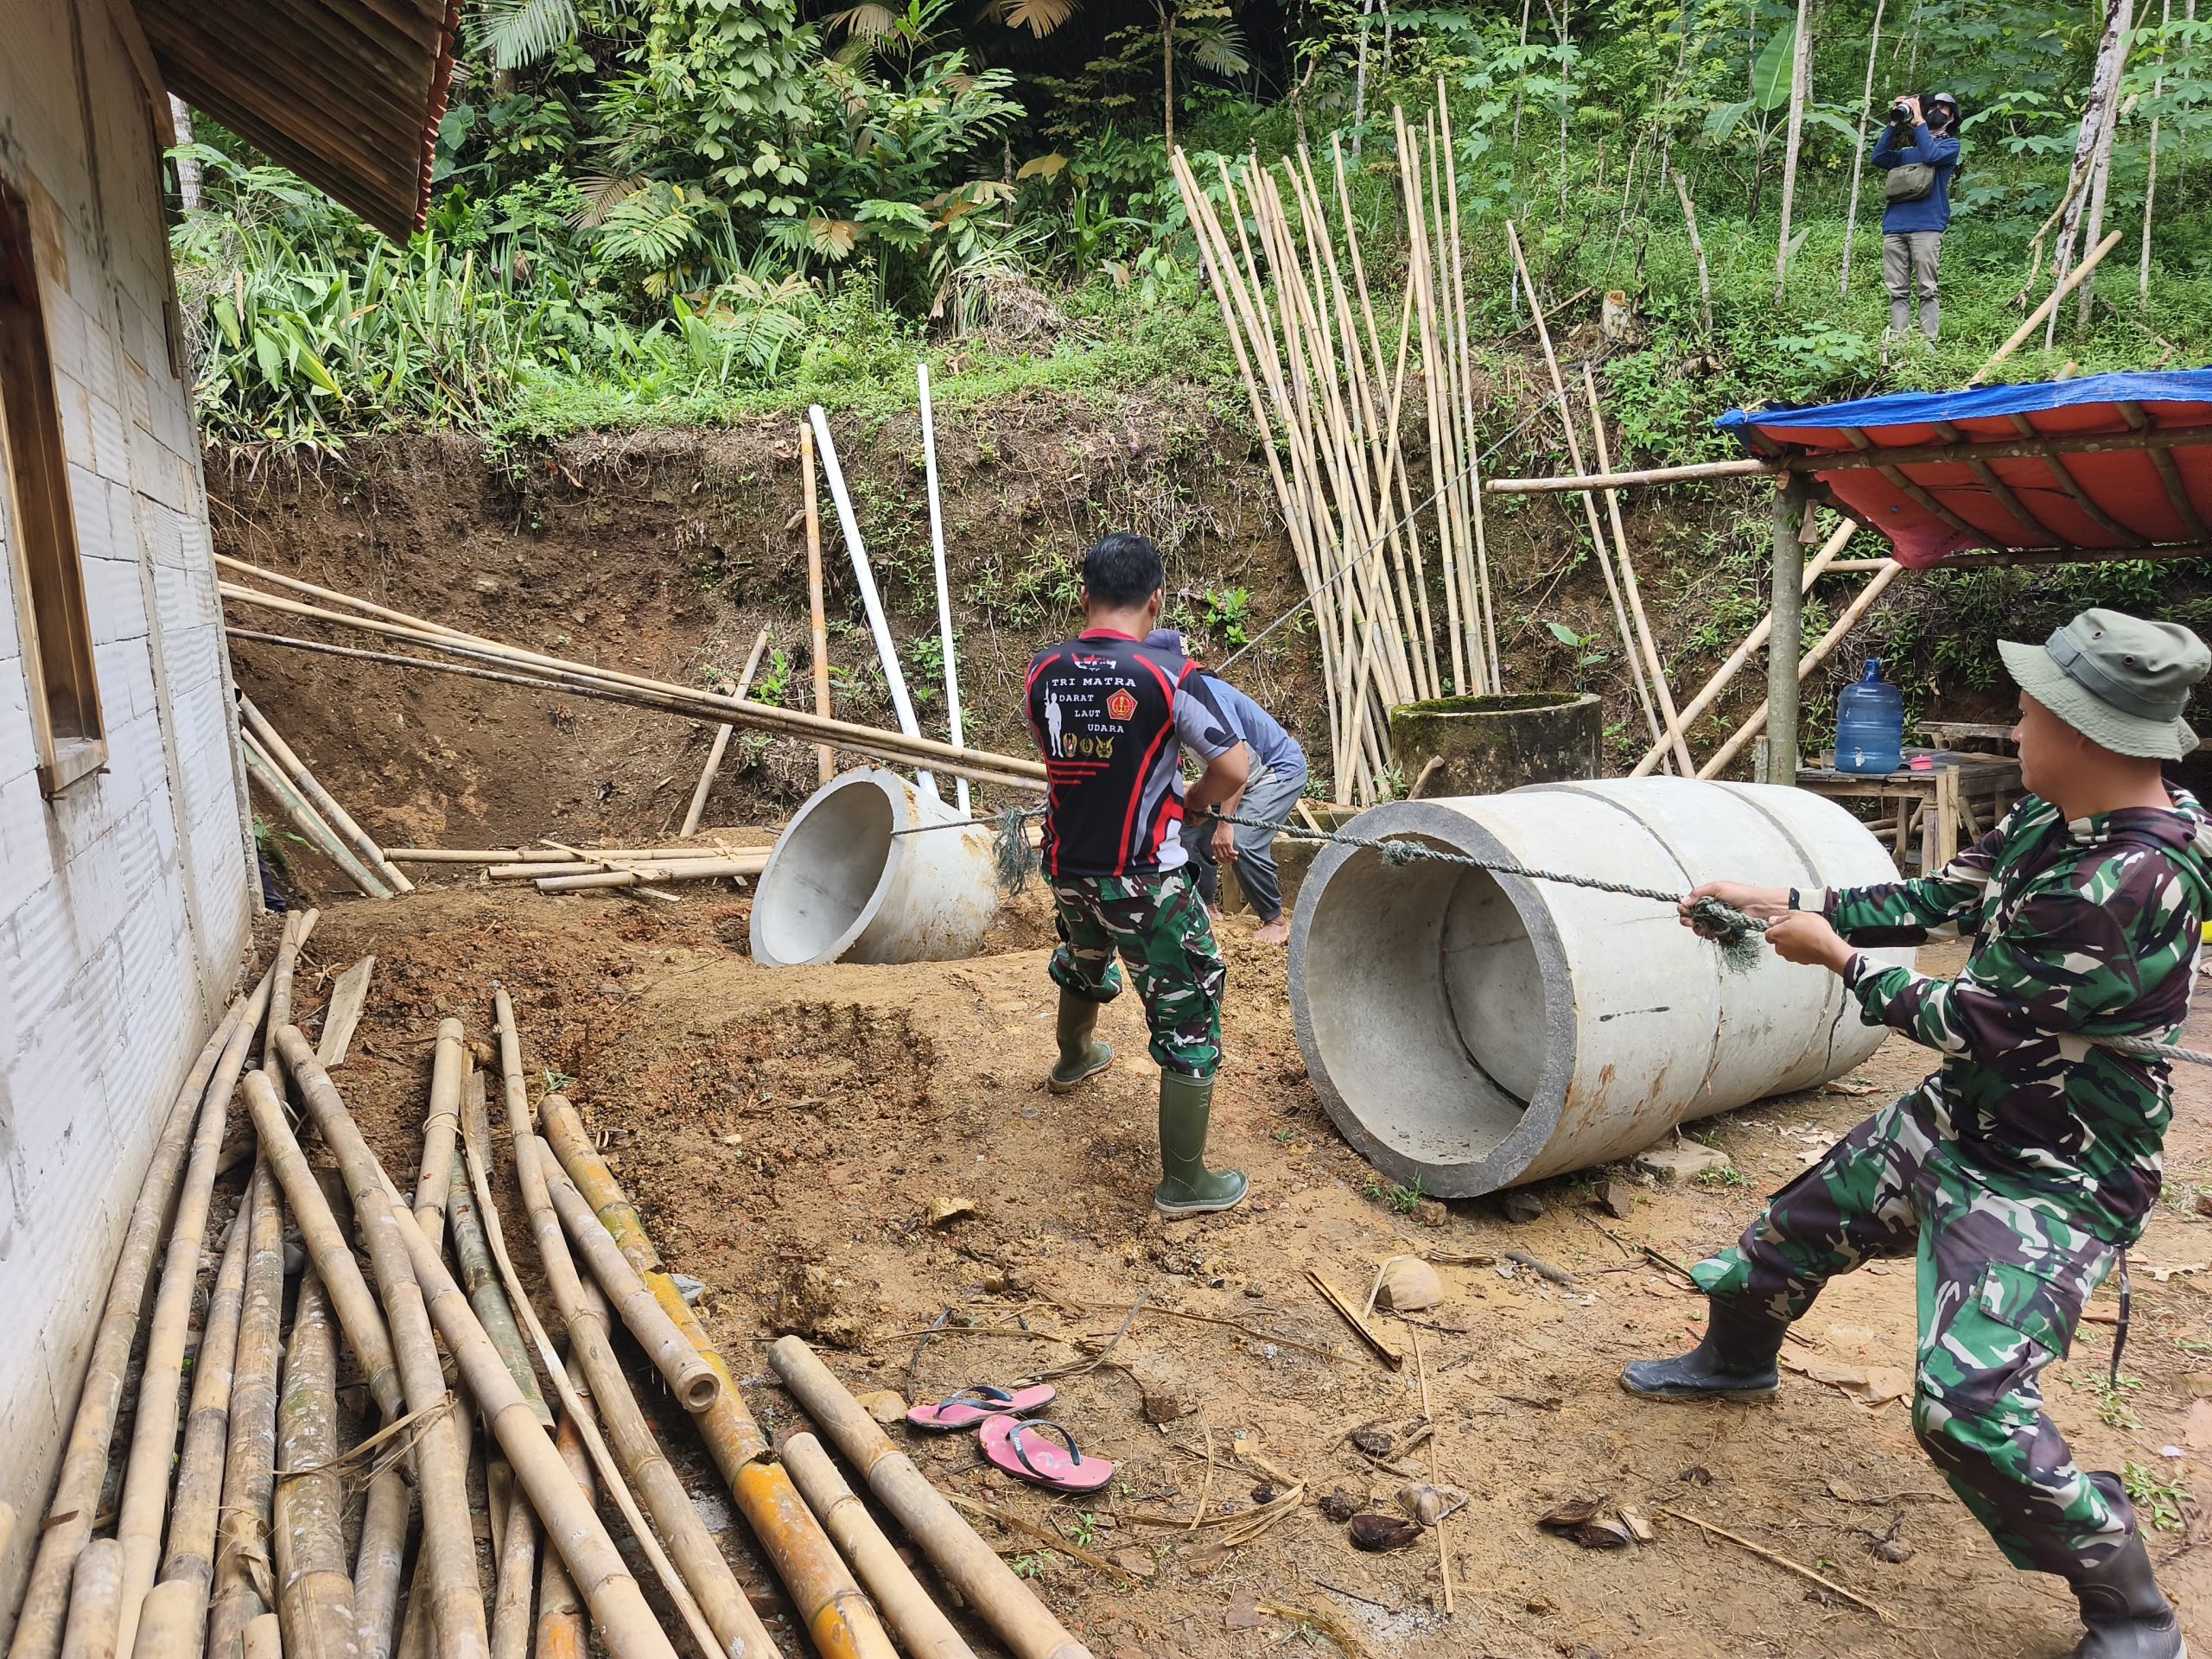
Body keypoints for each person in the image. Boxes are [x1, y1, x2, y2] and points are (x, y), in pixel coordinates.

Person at [1623, 608, 2209, 1659]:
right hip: (1966, 1113)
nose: (2016, 724)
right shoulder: (2050, 819)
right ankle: (1732, 1363)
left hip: (2056, 1170)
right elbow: (1937, 899)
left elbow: (1968, 1016)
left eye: (2028, 712)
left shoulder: (2131, 883)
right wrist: (1787, 900)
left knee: (1965, 1406)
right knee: (1785, 1236)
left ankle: (2129, 1607)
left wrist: (1836, 959)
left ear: (2082, 731)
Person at [1024, 533, 1252, 1215]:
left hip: (1068, 863)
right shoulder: (1172, 677)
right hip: (1145, 880)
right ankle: (1185, 1182)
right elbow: (1235, 768)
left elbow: (1060, 753)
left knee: (1085, 952)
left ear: (1084, 595)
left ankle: (1074, 1057)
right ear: (1157, 599)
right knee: (1188, 1007)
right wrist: (1191, 802)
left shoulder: (1043, 670)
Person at [1147, 631, 1310, 946]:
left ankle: (1275, 920)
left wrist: (1225, 824)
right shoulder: (1174, 696)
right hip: (1235, 777)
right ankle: (1208, 907)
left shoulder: (1207, 694)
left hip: (1275, 772)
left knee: (1242, 842)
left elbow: (1241, 766)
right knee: (1188, 828)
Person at [1872, 91, 1961, 342]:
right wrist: (1894, 122)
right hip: (1895, 227)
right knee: (1897, 290)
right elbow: (1878, 158)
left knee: (1927, 289)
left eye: (1944, 109)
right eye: (1933, 106)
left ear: (1951, 118)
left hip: (1927, 227)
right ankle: (1899, 342)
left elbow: (1931, 156)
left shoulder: (1950, 146)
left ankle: (1928, 343)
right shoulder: (1906, 153)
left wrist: (1920, 122)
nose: (1936, 111)